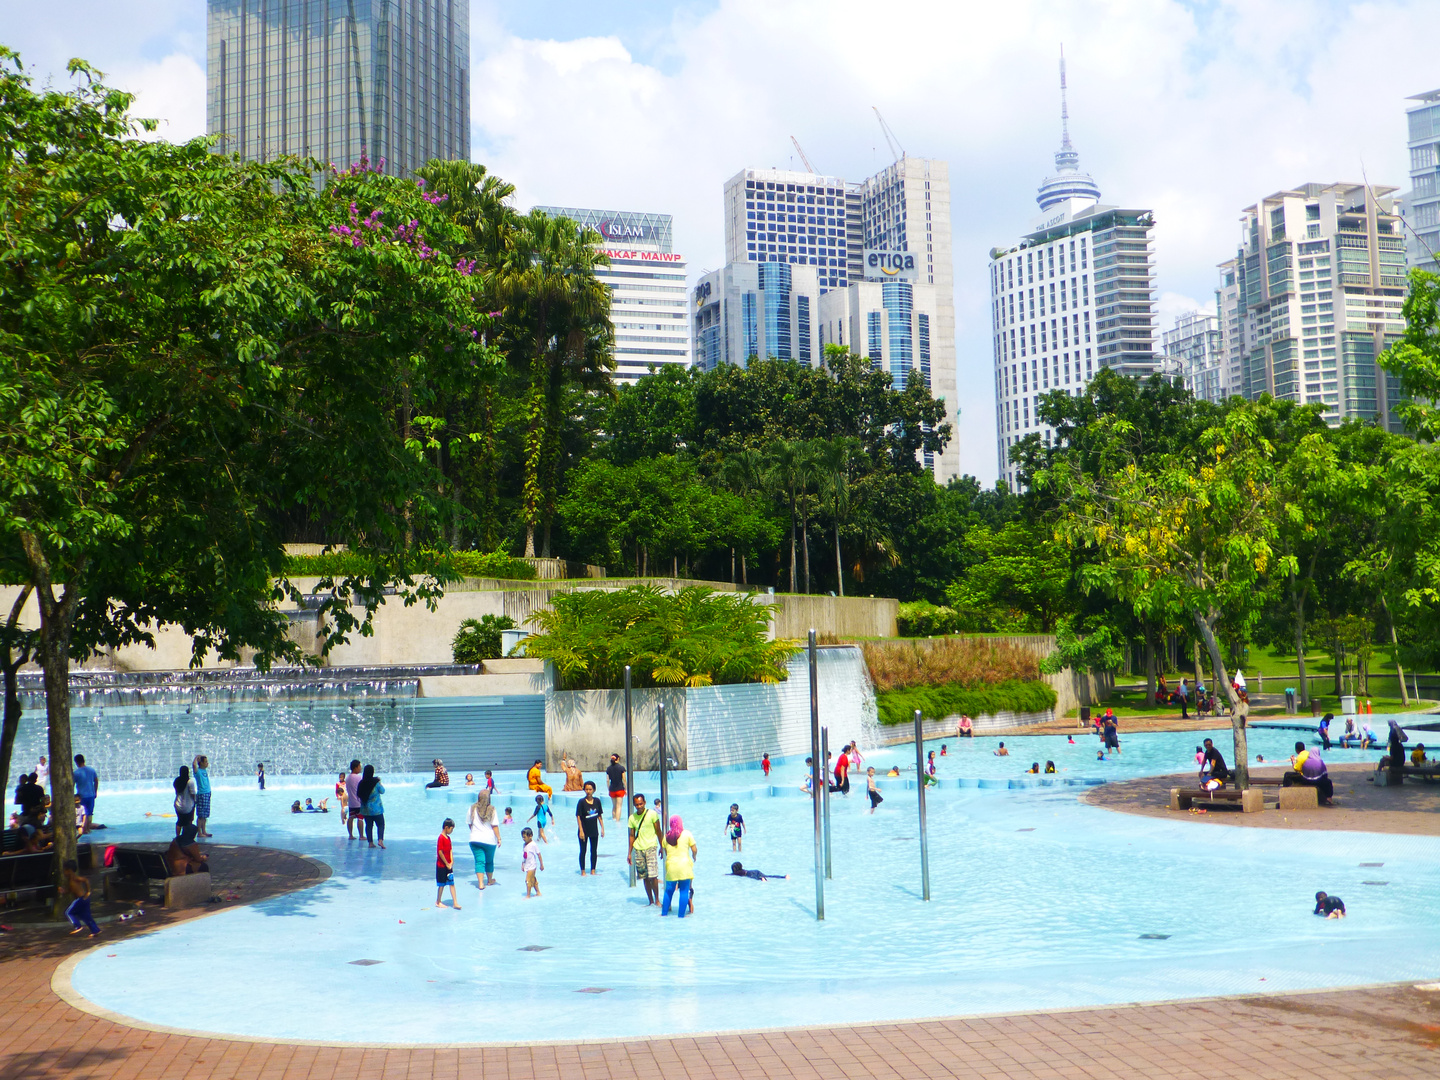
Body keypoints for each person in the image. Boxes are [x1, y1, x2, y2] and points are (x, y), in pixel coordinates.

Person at [627, 792, 663, 905]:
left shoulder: (652, 814)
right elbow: (632, 835)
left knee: (653, 875)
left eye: (641, 804)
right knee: (644, 877)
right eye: (637, 804)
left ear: (645, 803)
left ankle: (657, 899)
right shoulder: (632, 818)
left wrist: (662, 846)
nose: (639, 806)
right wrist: (629, 852)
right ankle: (650, 901)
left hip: (651, 846)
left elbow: (658, 831)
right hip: (639, 849)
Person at [660, 814, 696, 918]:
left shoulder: (666, 836)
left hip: (671, 867)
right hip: (684, 866)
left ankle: (664, 914)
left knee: (668, 891)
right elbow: (694, 849)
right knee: (684, 891)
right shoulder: (687, 834)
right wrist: (694, 856)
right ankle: (681, 916)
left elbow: (666, 852)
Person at [467, 789, 501, 890]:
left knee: (479, 861)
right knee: (489, 861)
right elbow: (494, 826)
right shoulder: (492, 809)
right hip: (489, 840)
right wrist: (499, 838)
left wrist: (475, 832)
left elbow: (469, 823)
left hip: (474, 840)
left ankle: (481, 883)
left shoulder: (472, 808)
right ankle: (490, 880)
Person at [62, 859, 100, 937]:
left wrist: (88, 891)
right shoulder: (70, 880)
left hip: (81, 899)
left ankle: (77, 926)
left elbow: (86, 880)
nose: (64, 873)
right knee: (85, 915)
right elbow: (70, 890)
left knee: (68, 912)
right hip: (84, 900)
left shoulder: (74, 878)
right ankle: (95, 930)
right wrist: (63, 891)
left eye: (64, 871)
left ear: (69, 871)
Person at [576, 781, 605, 875]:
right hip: (584, 830)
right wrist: (581, 830)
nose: (588, 791)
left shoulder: (597, 801)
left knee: (594, 850)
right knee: (583, 850)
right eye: (586, 789)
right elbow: (578, 816)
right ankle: (583, 871)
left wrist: (602, 828)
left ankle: (593, 870)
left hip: (594, 830)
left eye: (590, 789)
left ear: (594, 790)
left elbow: (599, 816)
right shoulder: (581, 802)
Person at [357, 765, 385, 849]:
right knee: (380, 824)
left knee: (369, 826)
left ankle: (370, 843)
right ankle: (380, 840)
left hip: (366, 810)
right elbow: (383, 791)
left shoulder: (361, 783)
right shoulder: (376, 782)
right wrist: (380, 783)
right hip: (377, 809)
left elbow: (358, 794)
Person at [435, 818, 460, 909]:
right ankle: (438, 901)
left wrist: (451, 861)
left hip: (449, 865)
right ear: (446, 827)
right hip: (441, 865)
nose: (452, 831)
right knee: (441, 884)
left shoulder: (448, 838)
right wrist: (446, 863)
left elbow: (450, 850)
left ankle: (455, 902)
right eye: (451, 829)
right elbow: (440, 852)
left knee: (451, 883)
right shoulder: (441, 838)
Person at [73, 754, 98, 835]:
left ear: (76, 762)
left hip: (81, 796)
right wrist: (95, 791)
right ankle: (88, 829)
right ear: (84, 760)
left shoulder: (76, 773)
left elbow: (72, 785)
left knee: (83, 813)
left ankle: (84, 829)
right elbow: (96, 781)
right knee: (90, 813)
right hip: (91, 795)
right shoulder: (91, 770)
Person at [173, 764, 197, 838]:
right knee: (188, 821)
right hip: (188, 805)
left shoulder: (177, 781)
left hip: (178, 804)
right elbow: (193, 793)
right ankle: (187, 837)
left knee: (180, 821)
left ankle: (177, 837)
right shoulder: (190, 782)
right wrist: (195, 801)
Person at [344, 760, 364, 840]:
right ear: (355, 768)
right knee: (360, 818)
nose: (360, 768)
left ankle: (350, 835)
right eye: (359, 766)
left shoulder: (348, 778)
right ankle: (361, 836)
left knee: (351, 817)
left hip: (351, 802)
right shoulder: (359, 777)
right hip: (358, 802)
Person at [521, 827, 543, 897]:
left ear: (530, 836)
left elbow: (539, 854)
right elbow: (524, 856)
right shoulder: (524, 845)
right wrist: (522, 864)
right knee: (533, 880)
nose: (523, 839)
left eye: (524, 837)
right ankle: (538, 892)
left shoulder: (533, 844)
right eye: (522, 837)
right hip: (527, 865)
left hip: (532, 866)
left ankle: (528, 895)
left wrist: (541, 865)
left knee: (527, 880)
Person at [605, 753, 627, 821]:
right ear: (618, 759)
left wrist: (608, 789)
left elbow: (607, 780)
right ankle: (617, 821)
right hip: (620, 789)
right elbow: (624, 779)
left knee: (614, 806)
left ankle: (613, 818)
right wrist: (626, 789)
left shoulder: (608, 769)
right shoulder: (621, 768)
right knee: (619, 807)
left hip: (612, 789)